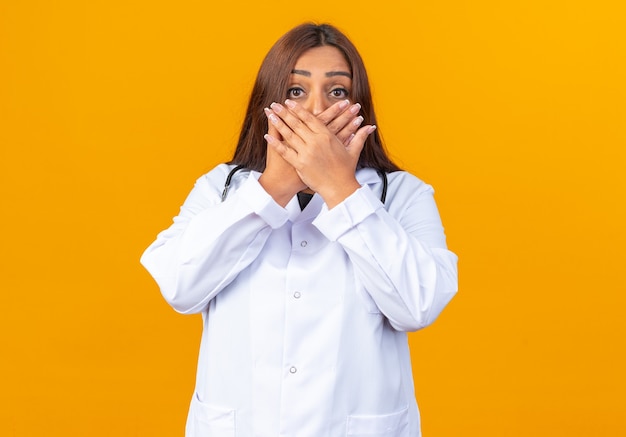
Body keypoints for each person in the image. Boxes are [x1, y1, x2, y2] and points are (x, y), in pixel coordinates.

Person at [141, 22, 458, 437]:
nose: (314, 109)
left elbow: (417, 305)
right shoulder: (221, 188)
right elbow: (180, 286)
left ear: (358, 106)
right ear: (269, 103)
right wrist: (273, 188)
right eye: (296, 91)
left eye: (337, 91)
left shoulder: (400, 194)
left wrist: (341, 188)